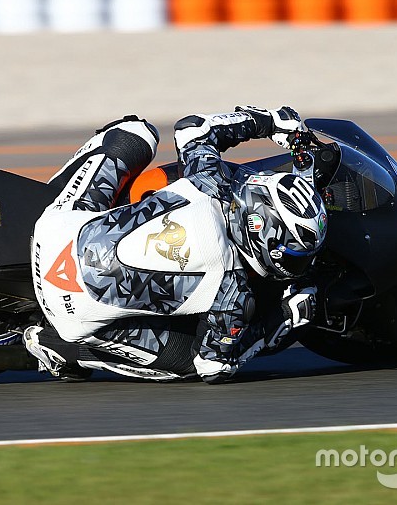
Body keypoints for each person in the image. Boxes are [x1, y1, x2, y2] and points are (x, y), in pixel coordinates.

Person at [24, 106, 327, 384]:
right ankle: (62, 350)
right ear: (261, 238)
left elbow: (192, 128)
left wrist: (271, 123)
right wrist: (281, 320)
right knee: (186, 364)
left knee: (135, 133)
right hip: (67, 312)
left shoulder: (208, 180)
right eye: (295, 257)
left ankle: (43, 195)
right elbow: (214, 366)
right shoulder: (233, 293)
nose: (301, 265)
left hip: (54, 229)